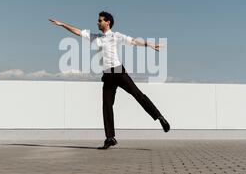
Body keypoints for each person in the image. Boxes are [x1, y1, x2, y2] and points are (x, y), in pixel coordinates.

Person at [49, 11, 170, 149]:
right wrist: (62, 24)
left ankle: (160, 117)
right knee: (106, 105)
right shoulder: (95, 37)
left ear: (108, 22)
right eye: (98, 20)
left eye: (100, 20)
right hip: (107, 75)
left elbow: (134, 41)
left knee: (138, 95)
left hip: (118, 71)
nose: (97, 22)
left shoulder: (115, 36)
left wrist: (150, 44)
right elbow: (77, 32)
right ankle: (110, 138)